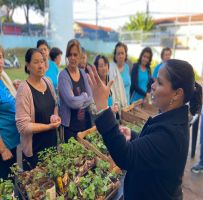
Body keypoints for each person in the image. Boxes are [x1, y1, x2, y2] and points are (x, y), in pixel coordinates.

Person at [87, 59, 200, 200]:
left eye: (159, 82)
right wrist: (134, 136)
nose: (152, 86)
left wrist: (103, 108)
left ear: (177, 94)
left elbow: (126, 156)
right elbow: (153, 148)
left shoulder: (171, 133)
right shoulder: (173, 119)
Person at [16, 48, 61, 170]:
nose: (40, 66)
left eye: (42, 61)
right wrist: (48, 127)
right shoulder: (24, 90)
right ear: (28, 65)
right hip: (35, 150)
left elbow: (55, 104)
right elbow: (23, 127)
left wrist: (55, 116)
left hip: (51, 145)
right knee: (37, 186)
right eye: (36, 62)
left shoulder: (48, 82)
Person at [58, 39, 93, 142]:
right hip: (70, 128)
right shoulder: (63, 76)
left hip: (85, 125)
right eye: (70, 54)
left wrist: (78, 99)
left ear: (80, 56)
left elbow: (90, 98)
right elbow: (71, 102)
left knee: (86, 156)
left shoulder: (83, 73)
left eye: (75, 55)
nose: (72, 58)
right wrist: (84, 96)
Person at [0, 46, 19, 179]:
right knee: (5, 187)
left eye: (0, 57)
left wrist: (14, 87)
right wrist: (2, 149)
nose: (0, 61)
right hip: (4, 147)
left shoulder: (3, 77)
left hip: (13, 143)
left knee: (13, 181)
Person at [109, 42, 131, 107]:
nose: (120, 56)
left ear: (125, 55)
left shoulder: (127, 67)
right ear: (115, 56)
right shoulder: (111, 69)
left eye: (122, 53)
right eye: (118, 54)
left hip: (127, 105)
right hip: (116, 107)